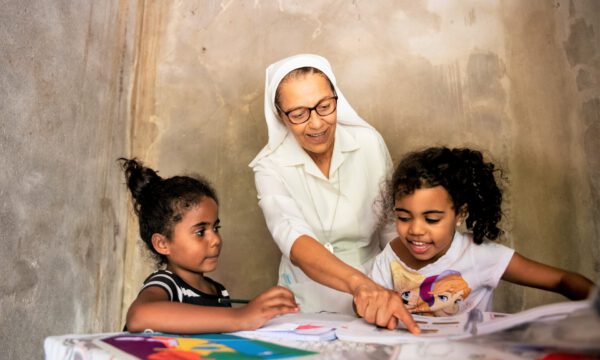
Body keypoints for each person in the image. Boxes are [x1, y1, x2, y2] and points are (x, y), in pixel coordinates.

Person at [249, 53, 419, 333]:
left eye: (324, 106)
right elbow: (292, 236)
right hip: (307, 297)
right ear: (281, 116)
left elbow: (391, 224)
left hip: (378, 290)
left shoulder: (368, 143)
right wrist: (359, 285)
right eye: (299, 114)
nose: (316, 124)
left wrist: (408, 279)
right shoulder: (269, 165)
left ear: (336, 98)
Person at [370, 147, 595, 317]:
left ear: (460, 214)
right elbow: (365, 305)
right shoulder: (390, 257)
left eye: (432, 219)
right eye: (403, 217)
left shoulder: (478, 255)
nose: (416, 230)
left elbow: (564, 280)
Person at [119, 158, 299, 333]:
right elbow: (138, 317)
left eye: (216, 228)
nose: (216, 240)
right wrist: (239, 317)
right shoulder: (167, 284)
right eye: (200, 232)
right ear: (163, 243)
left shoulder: (218, 291)